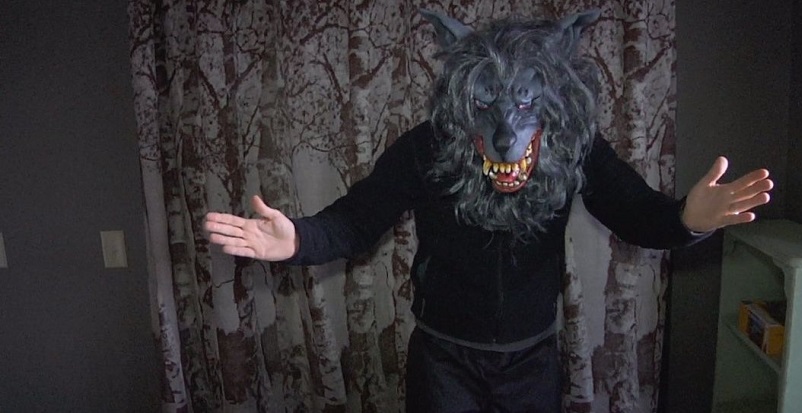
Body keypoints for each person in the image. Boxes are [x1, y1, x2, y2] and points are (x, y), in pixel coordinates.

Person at [204, 10, 773, 413]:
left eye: (525, 102)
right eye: (487, 103)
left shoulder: (573, 146)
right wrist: (298, 240)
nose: (506, 130)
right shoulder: (427, 146)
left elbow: (635, 212)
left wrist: (686, 219)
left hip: (532, 361)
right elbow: (356, 220)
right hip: (443, 362)